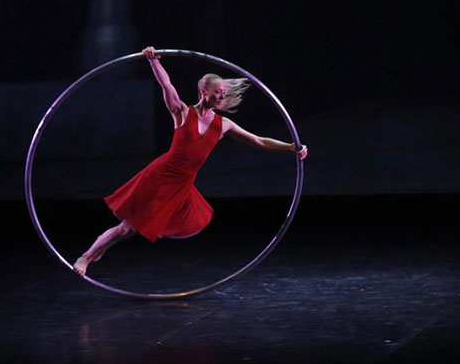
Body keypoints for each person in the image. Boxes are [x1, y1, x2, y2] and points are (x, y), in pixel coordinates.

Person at [73, 46, 308, 276]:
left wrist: (291, 147)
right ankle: (87, 255)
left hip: (183, 186)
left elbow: (258, 141)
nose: (222, 95)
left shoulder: (223, 125)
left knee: (165, 227)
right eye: (217, 91)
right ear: (203, 92)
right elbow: (167, 85)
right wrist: (154, 60)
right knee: (127, 228)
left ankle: (100, 248)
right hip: (161, 177)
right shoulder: (183, 113)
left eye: (224, 92)